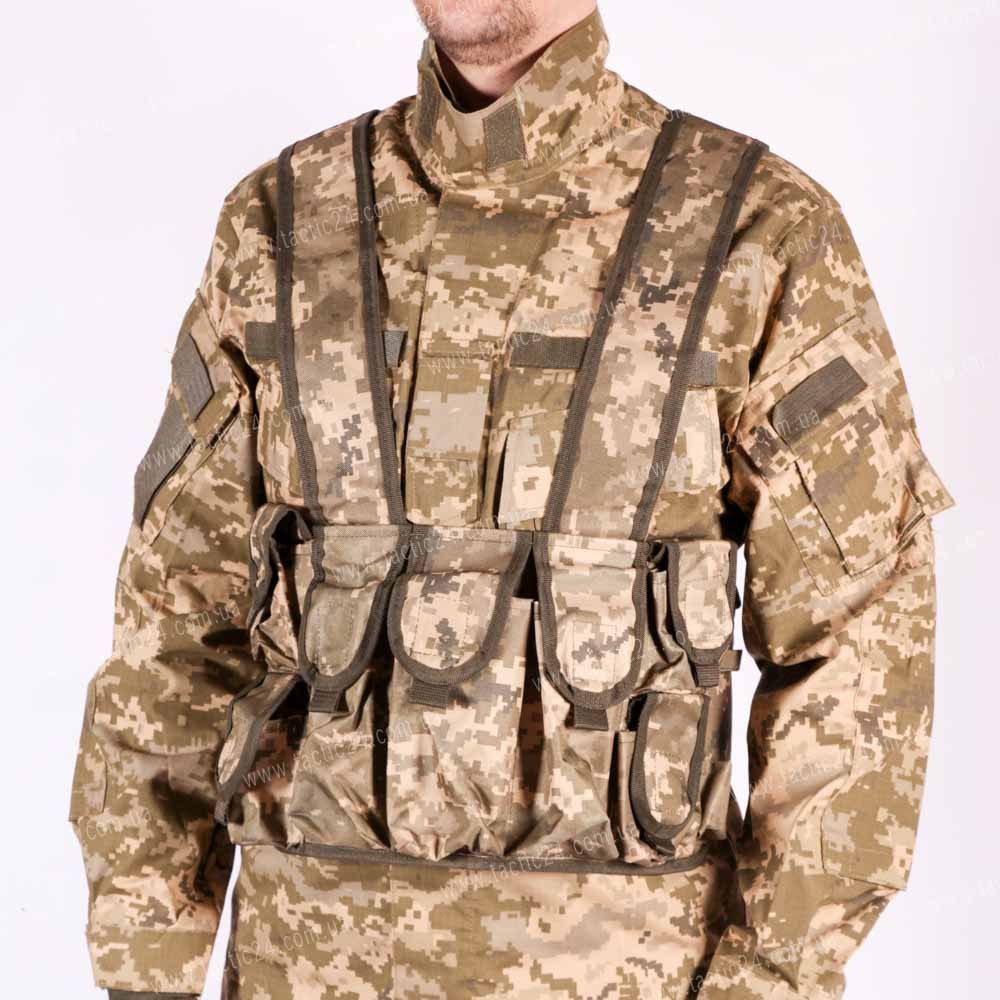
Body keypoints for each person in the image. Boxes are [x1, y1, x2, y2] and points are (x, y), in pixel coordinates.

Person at [69, 2, 953, 997]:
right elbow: (176, 627)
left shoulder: (759, 232)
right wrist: (146, 964)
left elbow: (861, 651)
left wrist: (770, 977)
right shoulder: (279, 222)